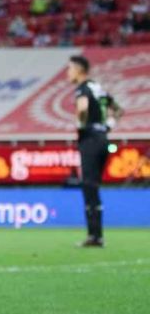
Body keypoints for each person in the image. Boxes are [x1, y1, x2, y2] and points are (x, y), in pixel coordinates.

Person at [66, 55, 124, 247]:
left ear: (79, 70)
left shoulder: (82, 88)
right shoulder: (98, 88)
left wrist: (80, 124)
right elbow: (119, 110)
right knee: (94, 186)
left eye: (70, 69)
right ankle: (96, 234)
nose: (68, 73)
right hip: (103, 139)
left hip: (90, 139)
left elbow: (82, 108)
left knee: (88, 185)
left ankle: (94, 236)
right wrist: (107, 127)